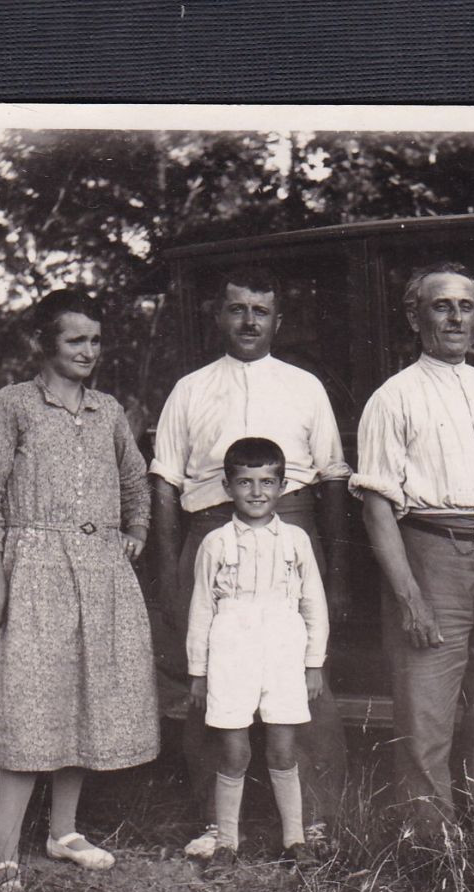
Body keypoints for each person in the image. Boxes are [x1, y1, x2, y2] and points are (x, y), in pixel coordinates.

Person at [0, 290, 160, 892]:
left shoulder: (109, 410)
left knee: (84, 697)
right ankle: (3, 856)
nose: (88, 352)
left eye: (95, 341)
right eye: (76, 340)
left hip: (99, 571)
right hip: (35, 566)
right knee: (28, 701)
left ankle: (63, 833)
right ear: (47, 343)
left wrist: (136, 531)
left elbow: (135, 479)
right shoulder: (13, 405)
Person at [150, 265, 350, 859]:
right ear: (220, 315)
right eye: (237, 309)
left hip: (293, 532)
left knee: (305, 678)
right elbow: (164, 481)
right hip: (212, 532)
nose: (248, 321)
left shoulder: (304, 386)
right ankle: (215, 823)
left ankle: (315, 819)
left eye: (260, 311)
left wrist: (336, 572)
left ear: (277, 320)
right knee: (210, 679)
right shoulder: (190, 388)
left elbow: (334, 477)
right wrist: (168, 571)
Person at [351, 262, 474, 839]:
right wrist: (409, 597)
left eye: (466, 305)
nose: (456, 317)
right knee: (425, 717)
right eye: (441, 306)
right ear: (415, 316)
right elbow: (377, 504)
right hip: (434, 559)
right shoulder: (393, 398)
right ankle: (436, 854)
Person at [185, 438, 328, 875]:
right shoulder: (215, 542)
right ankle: (226, 841)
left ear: (283, 486)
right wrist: (199, 672)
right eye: (245, 483)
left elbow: (313, 605)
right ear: (228, 487)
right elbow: (201, 609)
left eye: (267, 482)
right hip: (231, 649)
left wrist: (313, 663)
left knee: (284, 749)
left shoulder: (296, 540)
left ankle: (295, 838)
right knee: (234, 750)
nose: (256, 492)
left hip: (283, 649)